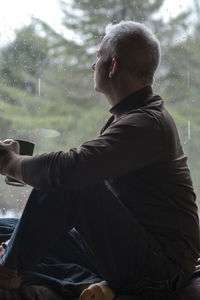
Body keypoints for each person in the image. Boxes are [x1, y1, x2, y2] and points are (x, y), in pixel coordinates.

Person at [0, 20, 199, 300]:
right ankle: (86, 282)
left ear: (113, 66)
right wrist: (21, 238)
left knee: (71, 180)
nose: (94, 65)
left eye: (98, 57)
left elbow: (69, 173)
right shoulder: (132, 117)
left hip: (162, 268)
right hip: (137, 245)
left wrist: (9, 162)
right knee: (9, 229)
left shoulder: (145, 124)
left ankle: (9, 270)